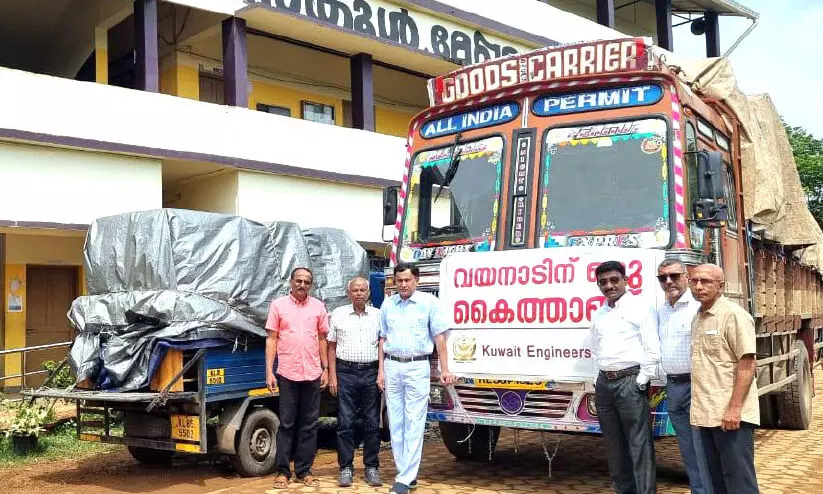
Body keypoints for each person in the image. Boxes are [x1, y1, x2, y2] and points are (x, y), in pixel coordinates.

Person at [378, 263, 455, 494]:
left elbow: (440, 338)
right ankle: (406, 474)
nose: (403, 284)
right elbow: (382, 338)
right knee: (396, 422)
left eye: (407, 280)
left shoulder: (429, 304)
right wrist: (381, 371)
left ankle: (404, 477)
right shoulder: (388, 305)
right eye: (399, 280)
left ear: (416, 280)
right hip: (392, 366)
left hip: (417, 366)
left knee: (414, 421)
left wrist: (445, 368)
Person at [590, 260, 660, 494]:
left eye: (613, 280)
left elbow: (652, 348)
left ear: (626, 281)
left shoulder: (640, 307)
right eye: (603, 282)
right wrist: (596, 379)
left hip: (630, 381)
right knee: (613, 445)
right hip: (604, 383)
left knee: (638, 444)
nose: (609, 286)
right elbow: (596, 348)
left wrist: (641, 380)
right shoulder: (599, 314)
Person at [689, 263, 759, 493]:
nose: (699, 286)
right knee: (715, 481)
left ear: (721, 286)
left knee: (739, 482)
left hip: (730, 416)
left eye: (706, 281)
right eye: (694, 281)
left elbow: (747, 363)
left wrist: (734, 408)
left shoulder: (734, 316)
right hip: (706, 414)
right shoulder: (698, 318)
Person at [265, 267, 329, 490]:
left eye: (307, 282)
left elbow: (322, 338)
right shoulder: (278, 306)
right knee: (287, 424)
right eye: (299, 280)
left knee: (310, 425)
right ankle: (283, 471)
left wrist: (326, 369)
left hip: (312, 373)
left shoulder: (318, 307)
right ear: (291, 281)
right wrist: (268, 372)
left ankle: (304, 470)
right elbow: (271, 339)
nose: (302, 285)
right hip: (288, 373)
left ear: (311, 285)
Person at [656, 259, 707, 493]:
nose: (668, 281)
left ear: (686, 277)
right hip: (674, 387)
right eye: (663, 277)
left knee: (704, 446)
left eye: (674, 276)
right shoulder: (661, 310)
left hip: (697, 384)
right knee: (687, 446)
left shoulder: (698, 307)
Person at [328, 276, 383, 487]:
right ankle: (346, 468)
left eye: (362, 290)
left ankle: (371, 467)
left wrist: (381, 373)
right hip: (346, 372)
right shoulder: (339, 314)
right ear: (349, 293)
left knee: (371, 423)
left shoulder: (378, 315)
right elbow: (331, 346)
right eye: (355, 290)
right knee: (345, 423)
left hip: (371, 372)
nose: (359, 293)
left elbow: (381, 344)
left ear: (368, 293)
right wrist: (332, 375)